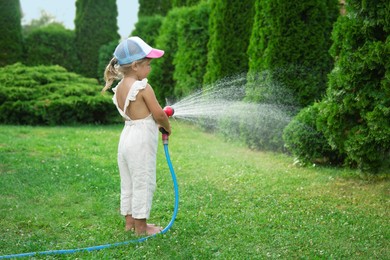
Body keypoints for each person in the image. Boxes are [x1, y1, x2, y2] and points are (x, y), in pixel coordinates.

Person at [102, 36, 171, 235]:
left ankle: (130, 222)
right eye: (147, 64)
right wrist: (166, 126)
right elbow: (158, 113)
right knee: (143, 180)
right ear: (134, 65)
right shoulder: (143, 87)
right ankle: (142, 228)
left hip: (126, 138)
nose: (149, 68)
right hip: (140, 140)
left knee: (129, 180)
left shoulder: (119, 89)